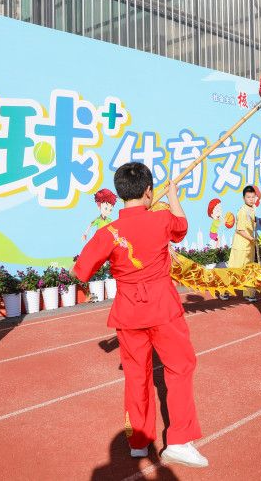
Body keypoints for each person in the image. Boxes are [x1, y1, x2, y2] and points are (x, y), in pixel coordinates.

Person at [72, 162, 208, 468]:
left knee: (136, 376)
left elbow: (80, 271)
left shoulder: (109, 232)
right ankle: (180, 440)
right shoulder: (161, 219)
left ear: (121, 194)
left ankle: (138, 442)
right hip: (162, 308)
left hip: (128, 311)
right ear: (149, 191)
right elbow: (182, 227)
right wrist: (173, 195)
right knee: (179, 369)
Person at [226, 186, 259, 302]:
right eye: (248, 197)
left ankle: (250, 294)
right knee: (234, 271)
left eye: (252, 197)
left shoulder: (252, 209)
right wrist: (252, 239)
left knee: (249, 270)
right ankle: (224, 291)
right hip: (240, 247)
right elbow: (239, 230)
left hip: (249, 247)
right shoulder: (242, 211)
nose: (251, 199)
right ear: (243, 198)